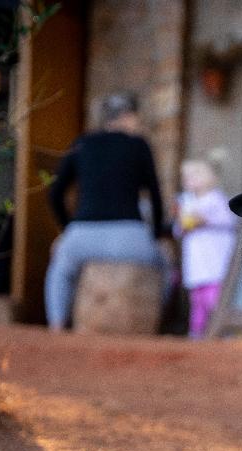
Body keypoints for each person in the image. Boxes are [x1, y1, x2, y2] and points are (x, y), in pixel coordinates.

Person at [45, 91, 168, 331]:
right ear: (128, 116)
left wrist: (67, 228)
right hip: (129, 237)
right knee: (164, 266)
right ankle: (154, 324)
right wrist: (156, 234)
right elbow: (155, 195)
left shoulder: (81, 143)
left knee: (60, 270)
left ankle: (57, 325)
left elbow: (54, 193)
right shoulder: (138, 144)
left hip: (82, 235)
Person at [175, 159, 238, 338]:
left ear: (211, 177)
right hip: (196, 264)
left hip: (215, 263)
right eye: (186, 176)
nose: (189, 180)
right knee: (197, 302)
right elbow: (178, 229)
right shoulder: (186, 202)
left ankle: (222, 333)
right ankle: (197, 334)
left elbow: (230, 221)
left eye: (195, 175)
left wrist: (206, 220)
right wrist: (183, 223)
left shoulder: (217, 200)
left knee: (215, 301)